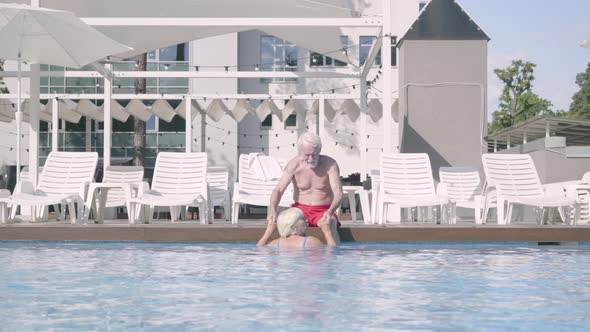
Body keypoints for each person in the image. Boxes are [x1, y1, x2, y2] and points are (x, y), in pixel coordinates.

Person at [268, 132, 342, 243]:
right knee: (286, 223)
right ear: (300, 151)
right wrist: (272, 209)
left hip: (324, 210)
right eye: (307, 155)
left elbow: (338, 192)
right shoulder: (294, 165)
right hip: (300, 210)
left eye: (314, 154)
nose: (311, 158)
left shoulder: (330, 164)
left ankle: (334, 256)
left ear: (319, 150)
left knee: (329, 223)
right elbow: (278, 190)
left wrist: (330, 211)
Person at [257, 207, 337, 248]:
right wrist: (327, 232)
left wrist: (268, 232)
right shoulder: (310, 241)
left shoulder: (276, 243)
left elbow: (259, 248)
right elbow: (332, 251)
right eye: (302, 218)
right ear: (293, 227)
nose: (306, 220)